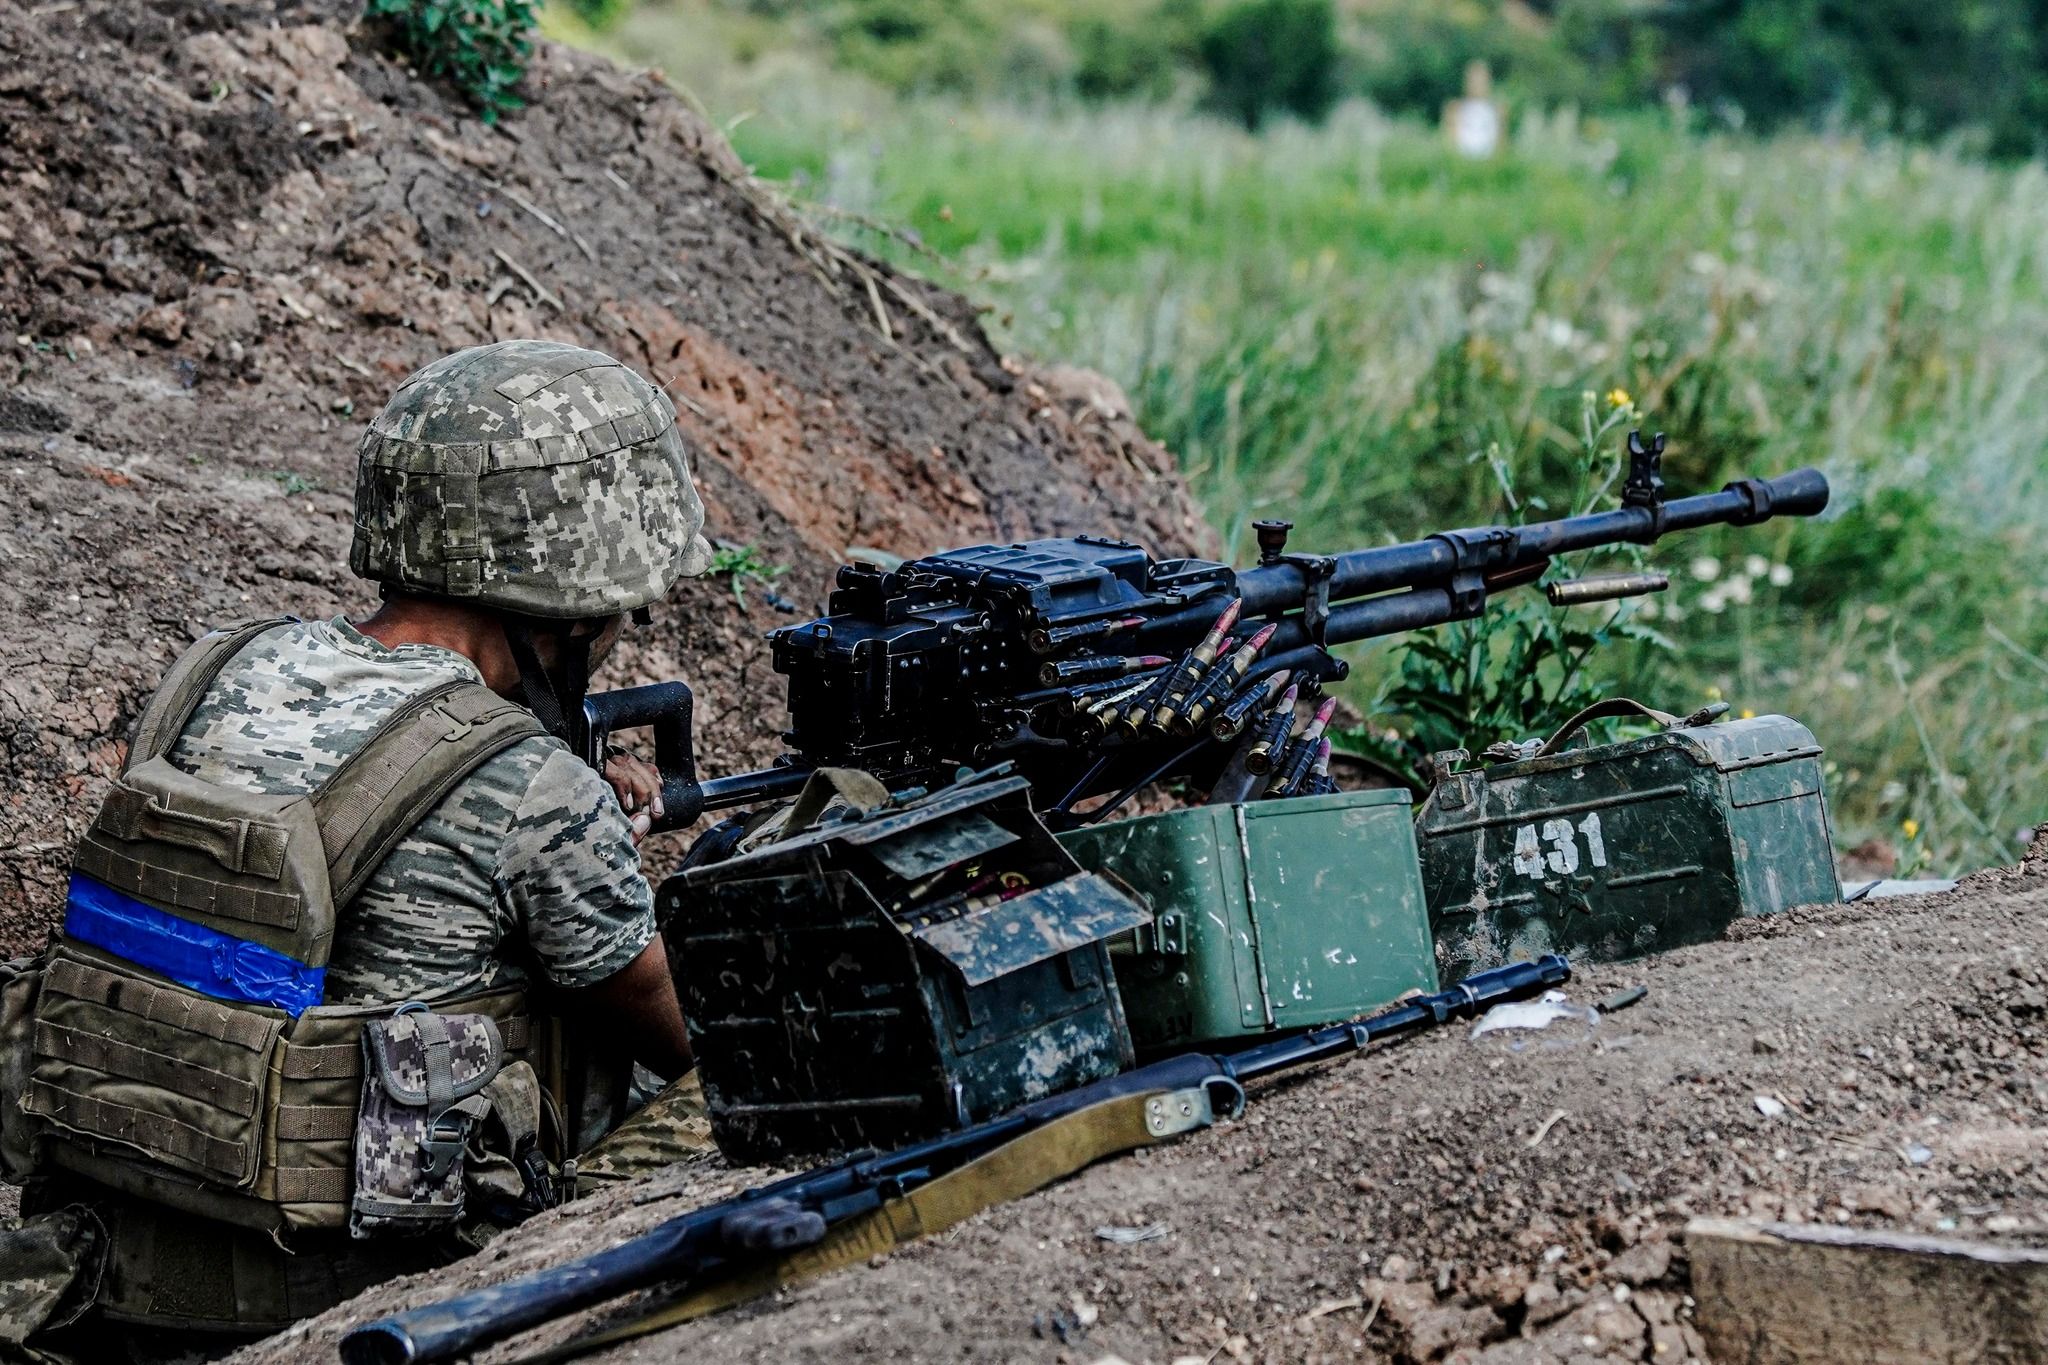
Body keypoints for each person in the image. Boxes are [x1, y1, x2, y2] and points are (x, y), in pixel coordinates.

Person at [2, 340, 721, 1353]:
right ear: (579, 596)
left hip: (114, 1257)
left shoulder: (218, 670)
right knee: (743, 1090)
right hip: (348, 1295)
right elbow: (682, 1034)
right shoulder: (534, 788)